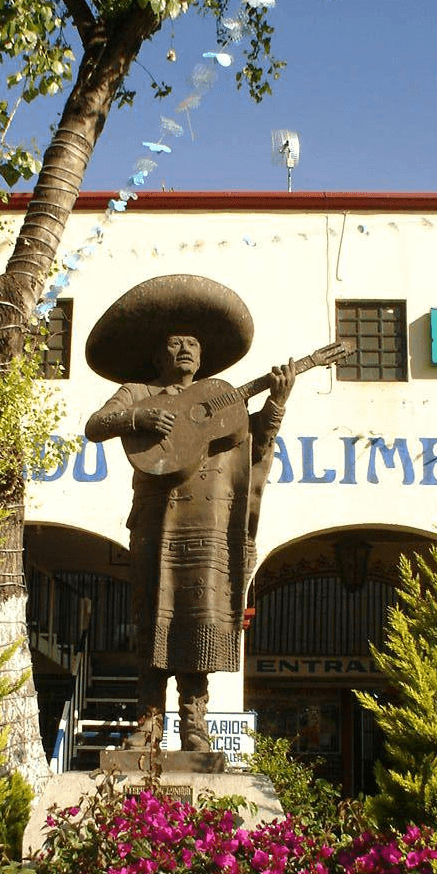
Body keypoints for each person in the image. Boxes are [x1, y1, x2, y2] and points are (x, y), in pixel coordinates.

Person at [85, 274, 295, 751]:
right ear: (158, 354)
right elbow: (96, 425)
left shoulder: (221, 401)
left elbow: (254, 448)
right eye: (176, 343)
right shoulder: (137, 391)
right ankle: (147, 723)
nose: (185, 350)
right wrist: (138, 418)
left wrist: (276, 403)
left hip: (208, 525)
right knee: (150, 619)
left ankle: (195, 723)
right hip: (157, 523)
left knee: (200, 618)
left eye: (193, 344)